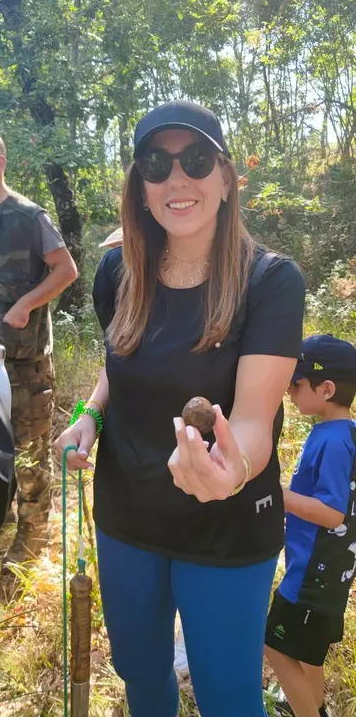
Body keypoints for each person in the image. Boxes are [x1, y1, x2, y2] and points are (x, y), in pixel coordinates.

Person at [56, 100, 305, 717]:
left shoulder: (270, 283)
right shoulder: (117, 270)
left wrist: (232, 471)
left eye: (196, 160)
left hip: (227, 525)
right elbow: (123, 365)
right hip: (127, 516)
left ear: (226, 178)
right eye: (156, 164)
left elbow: (253, 418)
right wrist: (92, 415)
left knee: (227, 696)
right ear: (140, 186)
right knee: (139, 673)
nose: (177, 179)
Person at [0, 133, 77, 576]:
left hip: (23, 364)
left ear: (0, 162)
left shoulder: (28, 216)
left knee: (29, 454)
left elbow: (66, 269)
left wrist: (25, 304)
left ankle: (32, 542)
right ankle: (5, 522)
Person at [265, 334, 356, 717]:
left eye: (297, 382)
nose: (289, 389)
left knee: (275, 646)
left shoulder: (335, 441)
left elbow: (333, 512)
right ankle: (311, 704)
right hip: (322, 570)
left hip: (313, 574)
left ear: (327, 388)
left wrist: (277, 493)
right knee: (309, 653)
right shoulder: (338, 433)